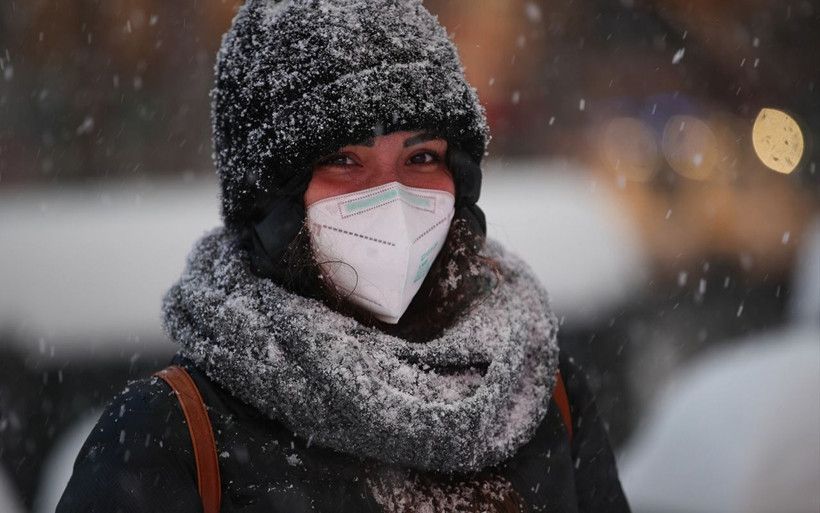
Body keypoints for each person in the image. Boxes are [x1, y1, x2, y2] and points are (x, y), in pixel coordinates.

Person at [57, 1, 629, 511]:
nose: (393, 199)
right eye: (344, 160)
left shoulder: (538, 391)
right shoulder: (175, 436)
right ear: (272, 201)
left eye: (422, 158)